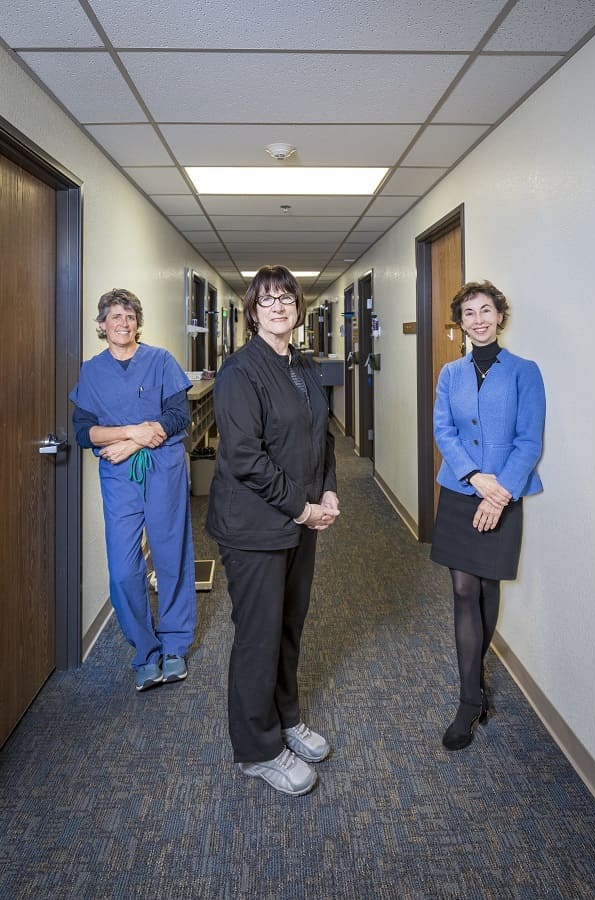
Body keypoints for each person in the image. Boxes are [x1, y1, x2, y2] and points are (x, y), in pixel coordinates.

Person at [206, 265, 340, 796]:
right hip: (255, 527)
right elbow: (243, 457)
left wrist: (327, 491)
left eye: (287, 298)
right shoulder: (240, 371)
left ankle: (285, 718)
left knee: (288, 627)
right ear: (253, 311)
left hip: (299, 522)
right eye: (268, 300)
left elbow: (322, 436)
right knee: (258, 637)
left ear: (298, 309)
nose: (279, 306)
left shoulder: (302, 366)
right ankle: (257, 750)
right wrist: (303, 509)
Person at [431, 280, 545, 751]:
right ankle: (468, 700)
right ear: (460, 323)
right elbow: (444, 428)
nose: (478, 320)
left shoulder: (524, 372)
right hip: (461, 491)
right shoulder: (450, 373)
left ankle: (473, 682)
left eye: (486, 311)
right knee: (462, 589)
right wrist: (474, 477)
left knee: (486, 588)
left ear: (500, 316)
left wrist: (498, 494)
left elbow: (529, 440)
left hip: (504, 493)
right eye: (469, 314)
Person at [70, 289, 196, 692]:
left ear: (138, 323)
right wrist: (131, 431)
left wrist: (131, 444)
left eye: (129, 316)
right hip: (119, 478)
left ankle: (174, 645)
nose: (123, 323)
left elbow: (179, 415)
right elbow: (83, 433)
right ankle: (145, 650)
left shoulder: (160, 361)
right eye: (114, 316)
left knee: (170, 555)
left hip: (163, 469)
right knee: (124, 570)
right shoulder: (92, 372)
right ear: (101, 325)